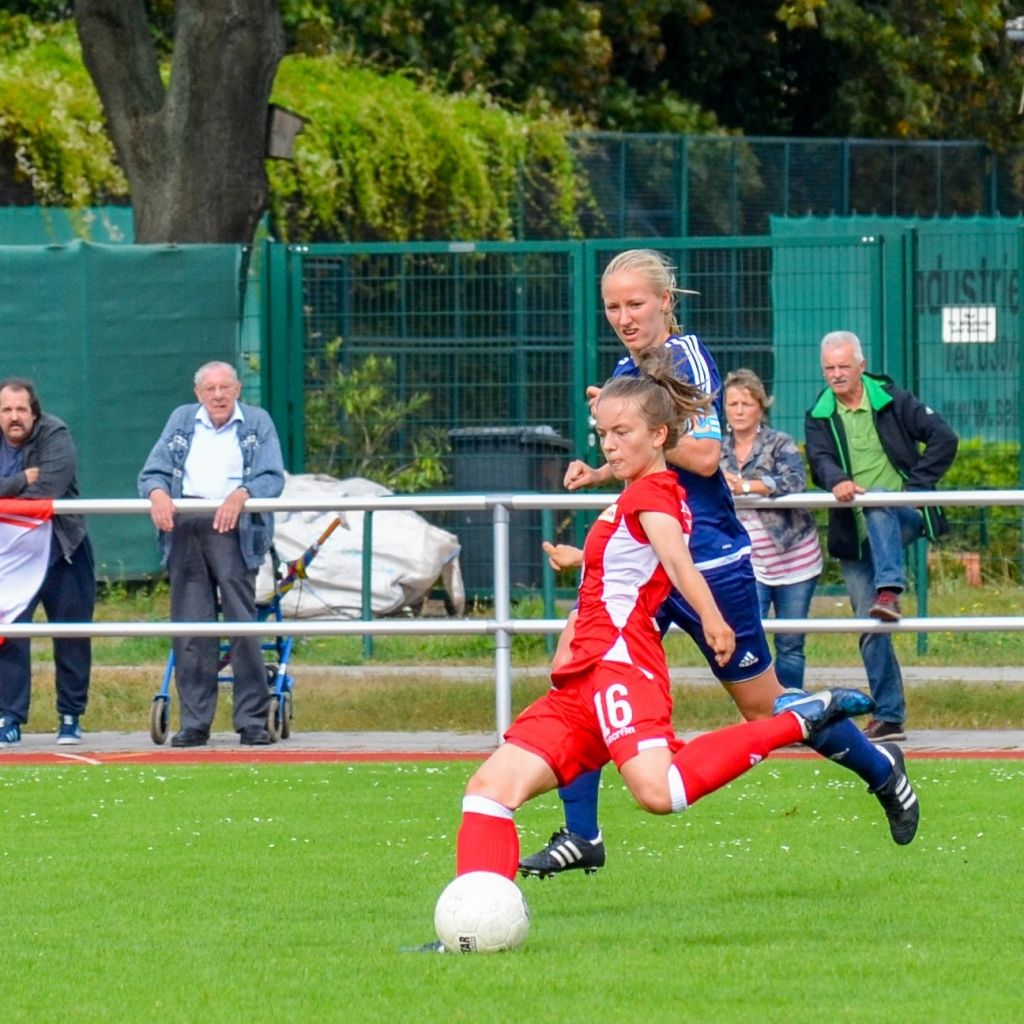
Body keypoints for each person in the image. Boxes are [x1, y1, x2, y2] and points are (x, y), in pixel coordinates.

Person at [416, 353, 874, 950]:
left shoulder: (654, 493)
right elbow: (626, 568)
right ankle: (467, 932)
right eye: (603, 432)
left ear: (659, 436)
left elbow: (678, 562)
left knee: (660, 793)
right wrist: (576, 593)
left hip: (620, 670)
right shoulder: (638, 493)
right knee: (488, 791)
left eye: (622, 432)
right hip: (583, 679)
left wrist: (712, 617)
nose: (609, 444)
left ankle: (795, 719)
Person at [520, 249, 918, 878]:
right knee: (581, 673)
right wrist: (602, 463)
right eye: (613, 307)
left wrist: (644, 433)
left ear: (666, 302)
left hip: (711, 563)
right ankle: (582, 833)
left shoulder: (686, 360)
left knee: (762, 709)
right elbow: (650, 461)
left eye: (635, 304)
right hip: (649, 565)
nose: (624, 317)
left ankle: (882, 769)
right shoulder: (630, 368)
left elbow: (706, 457)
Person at [806, 330, 958, 742]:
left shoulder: (894, 400)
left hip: (902, 513)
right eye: (829, 369)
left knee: (879, 504)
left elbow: (945, 438)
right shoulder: (819, 413)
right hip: (854, 534)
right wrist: (837, 479)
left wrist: (917, 487)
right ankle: (889, 716)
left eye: (843, 367)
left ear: (861, 365)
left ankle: (890, 588)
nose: (836, 375)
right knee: (868, 623)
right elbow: (819, 459)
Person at [138, 361, 285, 747]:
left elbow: (272, 477)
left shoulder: (257, 422)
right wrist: (158, 495)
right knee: (191, 629)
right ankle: (194, 723)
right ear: (198, 393)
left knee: (242, 625)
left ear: (238, 390)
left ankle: (252, 720)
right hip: (187, 525)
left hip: (236, 529)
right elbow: (152, 472)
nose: (218, 395)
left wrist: (242, 495)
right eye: (210, 389)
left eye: (225, 388)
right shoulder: (182, 421)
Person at [0, 378, 95, 747]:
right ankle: (9, 716)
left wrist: (8, 492)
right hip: (9, 553)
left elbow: (49, 489)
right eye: (6, 410)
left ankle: (70, 715)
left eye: (21, 409)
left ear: (34, 413)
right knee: (8, 633)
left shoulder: (55, 433)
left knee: (71, 632)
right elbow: (32, 487)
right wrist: (21, 479)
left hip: (62, 548)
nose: (14, 417)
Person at [720, 368, 822, 689]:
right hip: (749, 561)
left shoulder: (779, 442)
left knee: (790, 642)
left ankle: (791, 711)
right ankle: (760, 713)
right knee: (752, 638)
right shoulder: (716, 449)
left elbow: (795, 481)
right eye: (732, 403)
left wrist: (749, 487)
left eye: (746, 404)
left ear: (760, 407)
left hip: (795, 557)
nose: (738, 410)